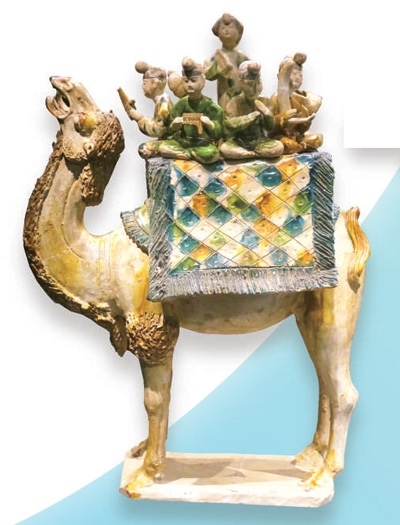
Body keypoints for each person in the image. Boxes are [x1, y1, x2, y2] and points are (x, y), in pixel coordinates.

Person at [140, 58, 224, 164]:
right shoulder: (181, 104)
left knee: (213, 154)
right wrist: (174, 125)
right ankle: (188, 154)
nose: (189, 85)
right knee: (143, 148)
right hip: (181, 143)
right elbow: (168, 131)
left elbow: (219, 133)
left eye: (193, 81)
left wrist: (210, 124)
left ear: (203, 82)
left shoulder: (212, 107)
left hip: (202, 145)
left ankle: (183, 154)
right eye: (186, 81)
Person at [219, 60, 284, 159]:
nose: (255, 89)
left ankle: (250, 154)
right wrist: (248, 118)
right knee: (224, 149)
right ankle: (248, 154)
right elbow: (229, 125)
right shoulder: (234, 102)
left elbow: (269, 128)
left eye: (258, 83)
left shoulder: (265, 101)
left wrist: (267, 114)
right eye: (250, 84)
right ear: (241, 83)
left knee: (279, 147)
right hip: (239, 141)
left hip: (259, 140)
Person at [269, 53, 323, 154]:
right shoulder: (275, 98)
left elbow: (301, 129)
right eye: (294, 74)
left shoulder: (297, 99)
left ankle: (299, 147)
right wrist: (282, 118)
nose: (297, 77)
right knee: (288, 144)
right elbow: (269, 125)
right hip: (279, 137)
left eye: (300, 75)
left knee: (317, 138)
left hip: (295, 136)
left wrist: (306, 122)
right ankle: (298, 148)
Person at [204, 13, 250, 110]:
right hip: (225, 94)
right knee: (226, 114)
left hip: (241, 95)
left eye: (231, 27)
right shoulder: (217, 56)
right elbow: (207, 74)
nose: (226, 30)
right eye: (223, 28)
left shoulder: (242, 56)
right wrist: (218, 68)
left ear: (238, 32)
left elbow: (252, 72)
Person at [118, 61, 172, 139]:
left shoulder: (163, 103)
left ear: (155, 84)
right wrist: (134, 112)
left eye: (144, 83)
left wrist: (140, 119)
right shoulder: (161, 101)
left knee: (144, 146)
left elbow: (158, 130)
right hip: (166, 138)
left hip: (170, 139)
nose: (142, 86)